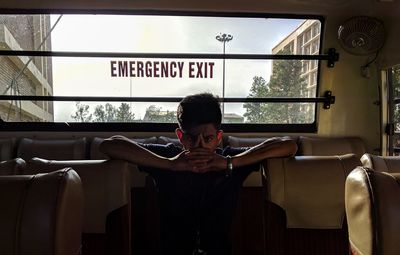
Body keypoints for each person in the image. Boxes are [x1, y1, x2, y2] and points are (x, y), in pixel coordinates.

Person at [99, 92, 297, 255]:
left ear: (219, 137)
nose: (200, 146)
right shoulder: (170, 156)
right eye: (192, 139)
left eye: (208, 138)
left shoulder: (230, 160)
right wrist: (170, 165)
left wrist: (230, 163)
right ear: (180, 137)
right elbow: (110, 145)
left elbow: (288, 145)